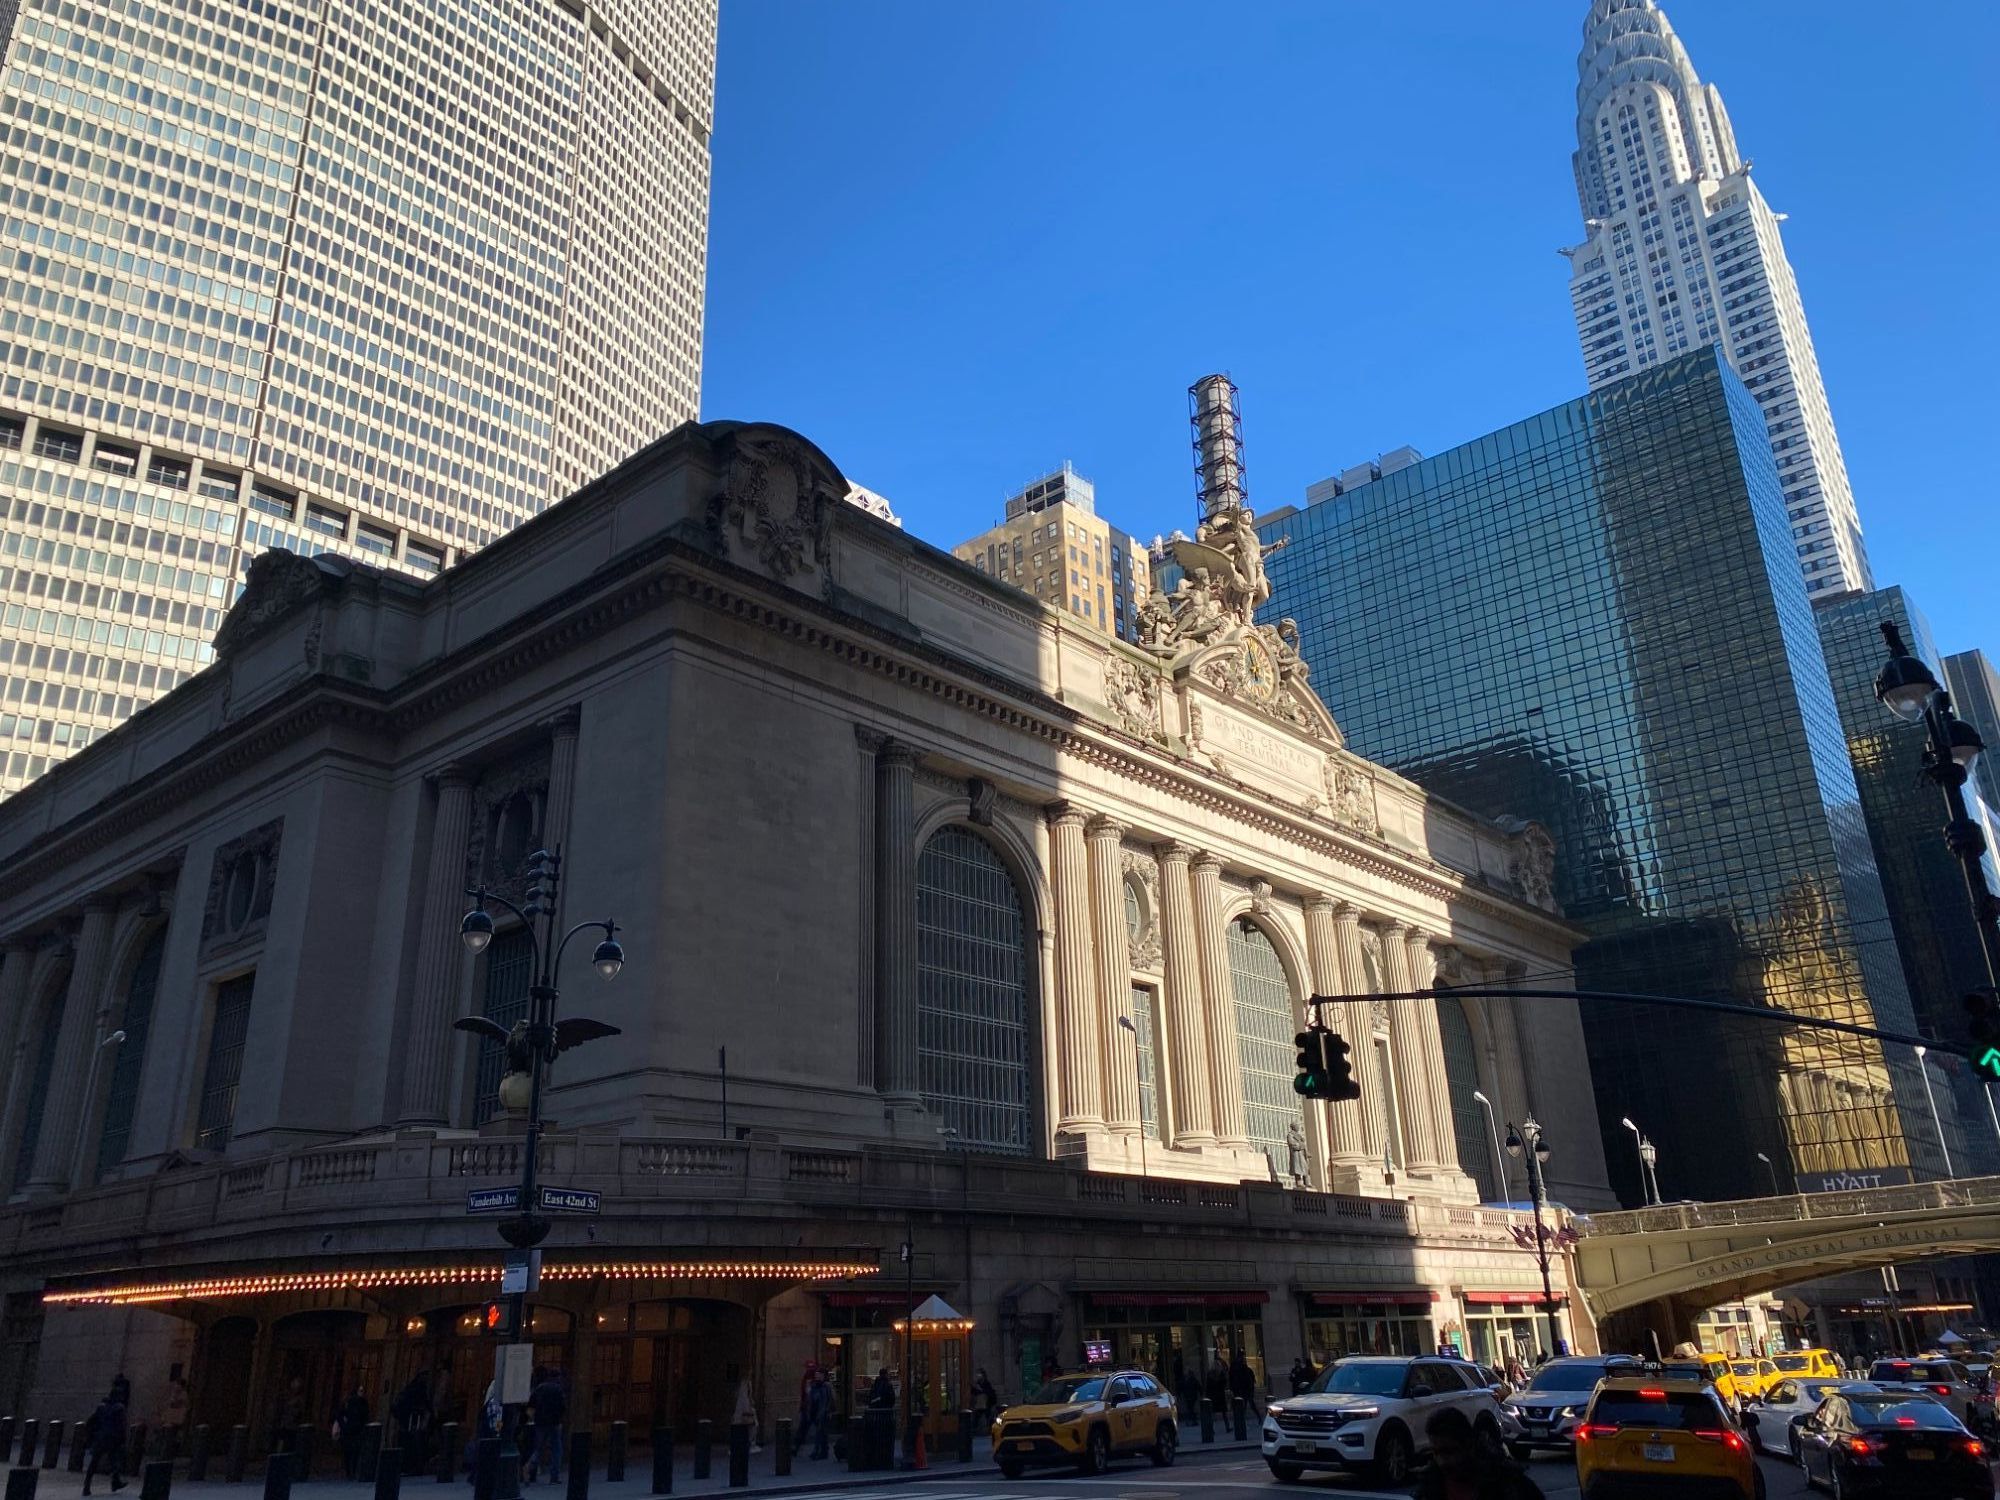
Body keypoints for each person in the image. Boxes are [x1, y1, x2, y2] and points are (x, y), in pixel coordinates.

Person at [1416, 1407, 1544, 1500]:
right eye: (1436, 1453)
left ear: (1469, 1445)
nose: (1442, 1461)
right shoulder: (1430, 1488)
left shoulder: (1510, 1486)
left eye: (1449, 1451)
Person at [82, 1384, 128, 1496]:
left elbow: (91, 1421)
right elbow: (121, 1425)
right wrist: (123, 1438)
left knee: (95, 1462)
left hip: (100, 1437)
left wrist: (91, 1435)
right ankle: (115, 1482)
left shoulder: (101, 1407)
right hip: (112, 1438)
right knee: (114, 1459)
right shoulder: (119, 1408)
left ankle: (86, 1486)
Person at [525, 1369, 566, 1484]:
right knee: (556, 1449)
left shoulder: (539, 1389)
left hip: (540, 1422)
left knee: (538, 1448)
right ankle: (554, 1476)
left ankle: (530, 1470)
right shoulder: (559, 1390)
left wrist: (532, 1417)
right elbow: (563, 1406)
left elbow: (531, 1405)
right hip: (555, 1422)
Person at [336, 1385, 370, 1480]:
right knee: (348, 1452)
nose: (362, 1393)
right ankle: (349, 1471)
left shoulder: (362, 1403)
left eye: (363, 1391)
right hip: (349, 1431)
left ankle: (352, 1471)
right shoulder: (349, 1402)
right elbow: (340, 1414)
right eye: (360, 1391)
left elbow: (366, 1416)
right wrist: (344, 1426)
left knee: (355, 1452)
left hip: (357, 1431)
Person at [807, 1369, 834, 1460]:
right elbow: (811, 1398)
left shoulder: (826, 1386)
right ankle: (823, 1451)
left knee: (820, 1432)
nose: (817, 1376)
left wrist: (829, 1411)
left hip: (823, 1412)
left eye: (819, 1375)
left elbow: (830, 1399)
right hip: (815, 1411)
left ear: (823, 1376)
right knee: (822, 1433)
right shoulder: (814, 1386)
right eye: (816, 1375)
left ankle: (817, 1451)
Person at [1228, 1350, 1259, 1418]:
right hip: (1243, 1388)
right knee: (1248, 1403)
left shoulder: (1237, 1365)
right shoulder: (1242, 1366)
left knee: (1243, 1403)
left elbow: (1231, 1376)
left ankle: (1242, 1417)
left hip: (1240, 1388)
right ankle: (1255, 1416)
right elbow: (1248, 1378)